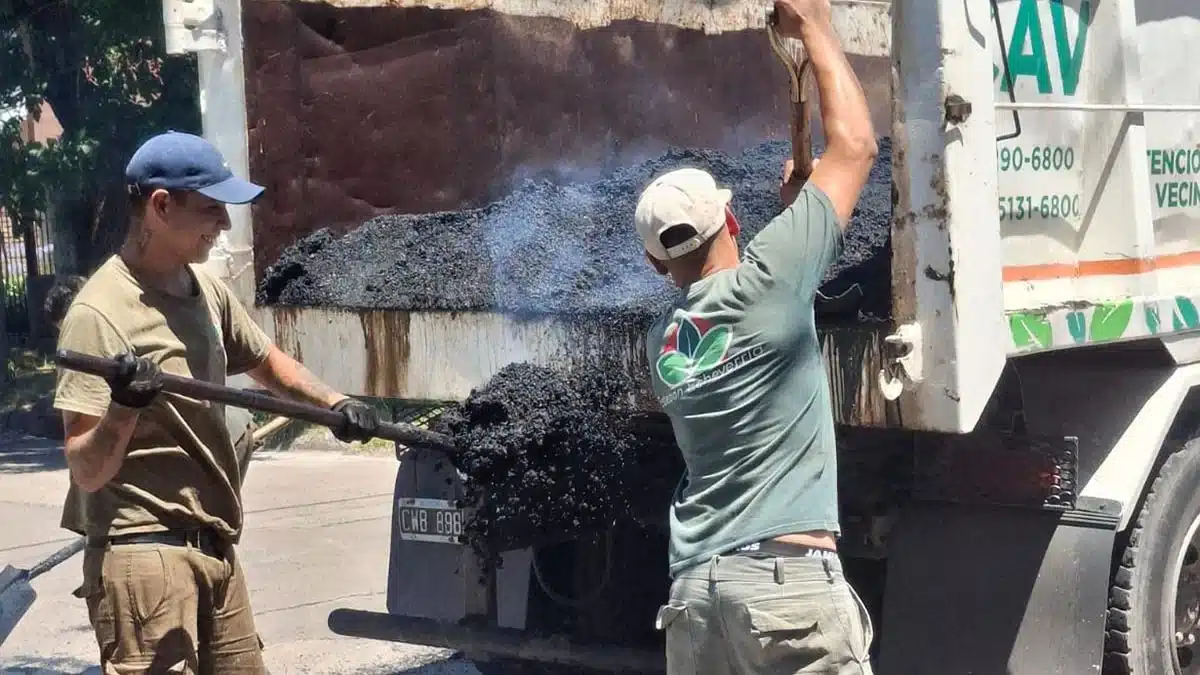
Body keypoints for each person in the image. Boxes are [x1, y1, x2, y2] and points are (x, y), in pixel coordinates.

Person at [53, 130, 382, 674]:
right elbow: (86, 470)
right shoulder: (99, 314)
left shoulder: (204, 289)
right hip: (144, 555)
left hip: (215, 544)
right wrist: (123, 407)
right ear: (161, 206)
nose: (225, 224)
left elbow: (266, 360)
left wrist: (336, 404)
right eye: (211, 209)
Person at [633, 0, 879, 673]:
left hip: (695, 597)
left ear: (655, 264)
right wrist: (815, 26)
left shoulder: (663, 345)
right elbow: (856, 145)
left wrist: (800, 217)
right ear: (733, 221)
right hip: (786, 588)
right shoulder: (772, 279)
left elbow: (739, 322)